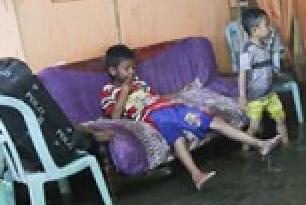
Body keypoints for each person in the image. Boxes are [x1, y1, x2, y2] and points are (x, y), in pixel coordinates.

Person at [102, 45, 279, 190]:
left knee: (214, 121)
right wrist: (125, 91)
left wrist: (181, 96)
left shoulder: (140, 83)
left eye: (133, 68)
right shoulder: (109, 91)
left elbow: (157, 98)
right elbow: (115, 116)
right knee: (176, 136)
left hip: (172, 109)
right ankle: (196, 175)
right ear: (112, 71)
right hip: (153, 116)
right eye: (126, 69)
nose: (131, 72)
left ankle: (260, 144)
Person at [237, 8, 289, 146]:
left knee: (281, 119)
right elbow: (242, 74)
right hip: (255, 97)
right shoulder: (247, 51)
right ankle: (245, 150)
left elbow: (267, 65)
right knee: (253, 127)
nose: (269, 27)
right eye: (266, 25)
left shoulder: (265, 45)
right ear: (254, 30)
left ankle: (286, 144)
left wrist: (276, 72)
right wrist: (242, 96)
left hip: (270, 93)